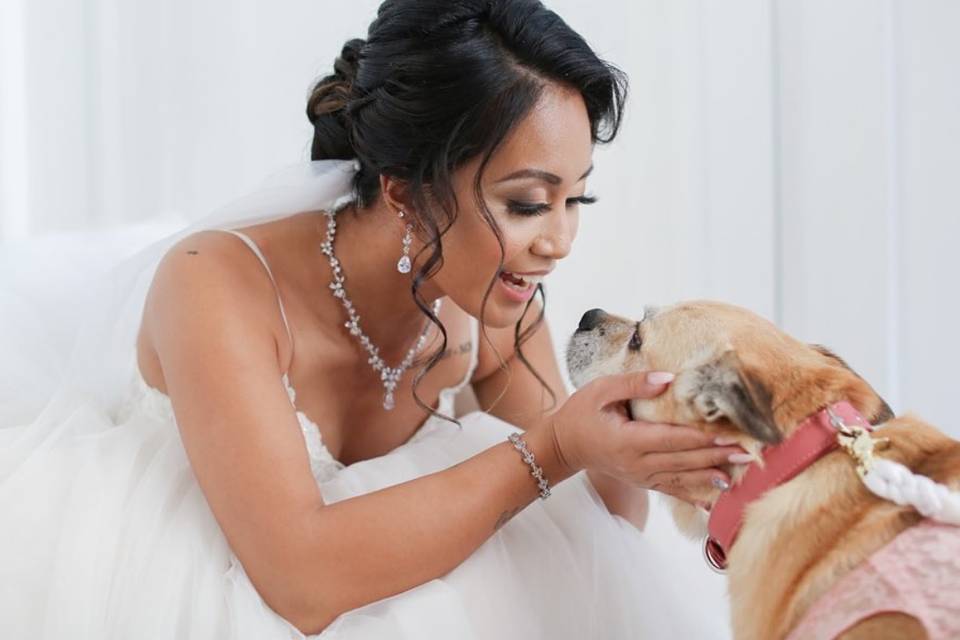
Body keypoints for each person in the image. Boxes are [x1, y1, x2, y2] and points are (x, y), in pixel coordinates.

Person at [0, 1, 744, 637]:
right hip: (191, 566)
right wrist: (557, 445)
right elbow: (299, 580)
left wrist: (630, 435)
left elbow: (602, 527)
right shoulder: (215, 285)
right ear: (404, 193)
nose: (559, 243)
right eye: (526, 203)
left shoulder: (493, 292)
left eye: (574, 199)